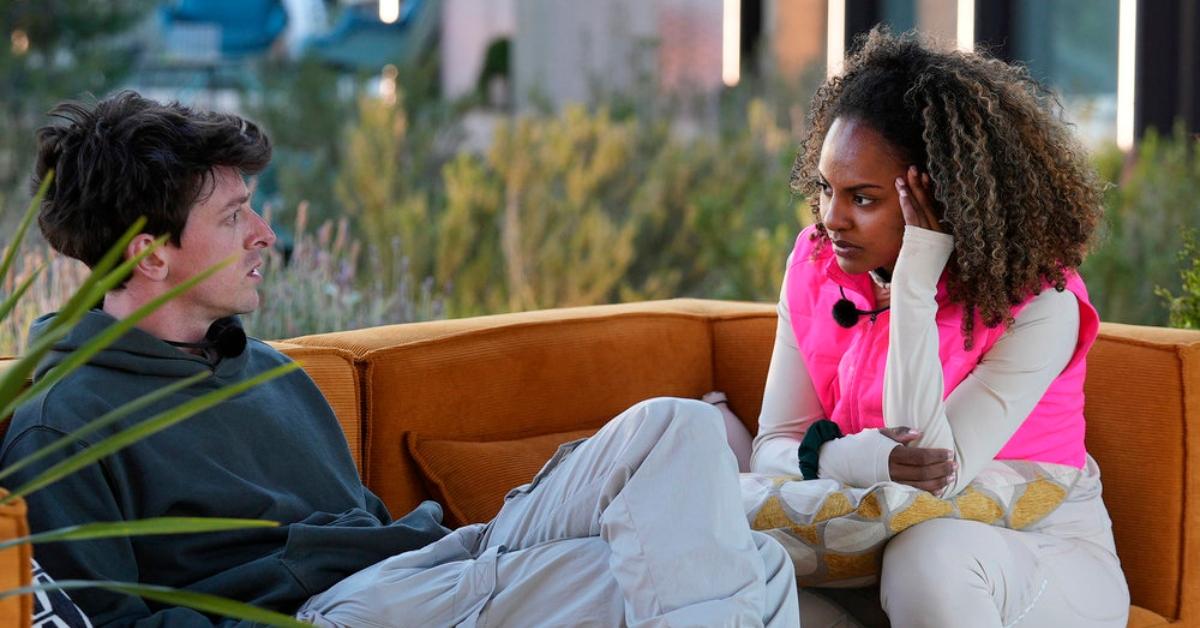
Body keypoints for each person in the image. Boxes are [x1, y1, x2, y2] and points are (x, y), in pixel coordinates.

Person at [0, 91, 800, 627]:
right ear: (150, 255)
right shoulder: (62, 422)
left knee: (684, 436)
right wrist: (303, 573)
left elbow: (373, 529)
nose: (265, 237)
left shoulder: (269, 371)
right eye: (234, 216)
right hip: (326, 612)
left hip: (431, 560)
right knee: (714, 571)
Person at [718, 29, 1129, 627]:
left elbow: (935, 471)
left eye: (862, 199)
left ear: (939, 197)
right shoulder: (816, 266)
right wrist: (855, 458)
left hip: (1035, 561)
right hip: (868, 561)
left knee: (928, 554)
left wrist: (914, 284)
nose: (830, 219)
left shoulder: (1044, 305)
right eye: (827, 190)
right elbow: (775, 449)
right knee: (740, 591)